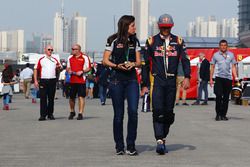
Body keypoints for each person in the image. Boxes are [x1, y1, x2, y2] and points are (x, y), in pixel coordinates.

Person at [141, 14, 190, 155]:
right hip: (157, 80)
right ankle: (159, 141)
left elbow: (185, 60)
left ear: (171, 27)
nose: (165, 30)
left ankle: (163, 136)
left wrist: (187, 77)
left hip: (172, 81)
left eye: (168, 28)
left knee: (168, 113)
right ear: (159, 26)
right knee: (157, 111)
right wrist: (144, 84)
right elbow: (145, 64)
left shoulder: (179, 41)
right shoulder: (151, 41)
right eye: (163, 27)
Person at [103, 15, 141, 156]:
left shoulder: (135, 41)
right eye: (132, 25)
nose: (134, 28)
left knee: (133, 112)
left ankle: (131, 145)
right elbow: (105, 61)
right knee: (119, 115)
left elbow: (139, 62)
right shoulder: (112, 40)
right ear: (125, 26)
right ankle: (119, 146)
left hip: (131, 80)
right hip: (116, 80)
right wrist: (117, 66)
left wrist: (133, 64)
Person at [210, 40, 238, 121]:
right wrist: (211, 78)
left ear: (227, 46)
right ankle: (218, 114)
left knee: (226, 98)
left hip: (228, 79)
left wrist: (236, 77)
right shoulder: (215, 55)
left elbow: (233, 67)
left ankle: (223, 115)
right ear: (219, 46)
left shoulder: (231, 55)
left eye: (224, 45)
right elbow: (212, 67)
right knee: (218, 96)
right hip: (219, 78)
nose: (223, 46)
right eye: (221, 45)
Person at [34, 45, 62, 121]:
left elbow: (59, 69)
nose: (50, 51)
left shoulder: (55, 59)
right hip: (43, 80)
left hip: (52, 80)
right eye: (49, 49)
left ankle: (50, 114)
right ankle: (43, 115)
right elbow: (36, 69)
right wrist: (36, 81)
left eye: (51, 50)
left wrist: (59, 68)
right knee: (43, 98)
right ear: (45, 50)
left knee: (51, 98)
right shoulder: (41, 59)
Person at [67, 44, 91, 120]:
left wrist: (82, 71)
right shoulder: (70, 57)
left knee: (81, 97)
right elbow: (68, 67)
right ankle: (72, 111)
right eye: (72, 49)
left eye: (74, 49)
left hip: (81, 80)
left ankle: (80, 113)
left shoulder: (85, 57)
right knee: (71, 98)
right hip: (72, 80)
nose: (73, 50)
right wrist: (69, 70)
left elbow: (89, 68)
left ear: (78, 50)